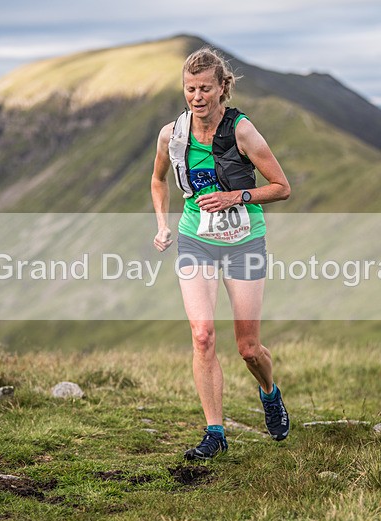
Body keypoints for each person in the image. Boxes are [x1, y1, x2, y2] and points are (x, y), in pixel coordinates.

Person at [151, 47, 291, 460]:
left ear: (221, 88)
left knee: (248, 348)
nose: (196, 97)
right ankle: (215, 431)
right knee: (202, 335)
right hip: (196, 238)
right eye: (190, 89)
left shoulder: (243, 131)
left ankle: (269, 392)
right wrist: (162, 224)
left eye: (205, 89)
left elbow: (281, 187)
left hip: (244, 240)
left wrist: (237, 195)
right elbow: (158, 181)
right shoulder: (171, 134)